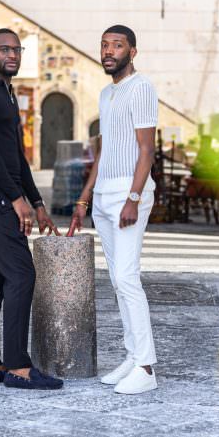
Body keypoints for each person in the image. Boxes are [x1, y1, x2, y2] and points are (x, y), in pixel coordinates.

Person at [0, 27, 63, 390]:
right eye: (4, 49)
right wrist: (15, 198)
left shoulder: (6, 93)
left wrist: (37, 202)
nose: (12, 55)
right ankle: (18, 367)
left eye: (17, 50)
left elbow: (16, 156)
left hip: (1, 193)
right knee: (21, 274)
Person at [67, 25, 158, 395]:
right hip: (104, 195)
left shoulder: (142, 88)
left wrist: (133, 198)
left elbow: (147, 149)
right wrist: (84, 198)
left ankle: (146, 368)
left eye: (117, 45)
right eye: (104, 45)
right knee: (118, 282)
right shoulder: (106, 93)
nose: (108, 51)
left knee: (127, 277)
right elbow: (104, 151)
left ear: (132, 52)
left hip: (128, 194)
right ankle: (132, 357)